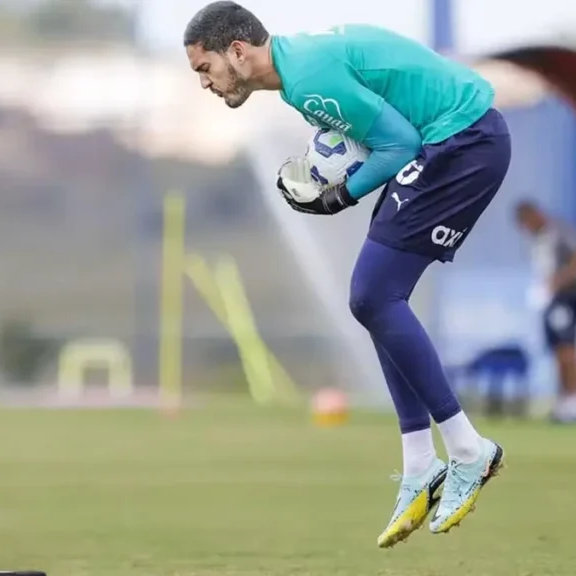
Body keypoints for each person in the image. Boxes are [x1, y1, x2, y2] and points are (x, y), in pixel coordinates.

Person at [183, 1, 509, 547]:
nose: (205, 83)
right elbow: (384, 132)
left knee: (373, 296)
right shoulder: (297, 69)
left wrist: (339, 195)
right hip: (453, 138)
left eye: (204, 67)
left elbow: (398, 144)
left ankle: (470, 451)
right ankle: (419, 465)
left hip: (464, 140)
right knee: (376, 299)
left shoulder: (305, 76)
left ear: (237, 51)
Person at [515, 201, 576, 423]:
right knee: (558, 349)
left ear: (535, 215)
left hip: (566, 296)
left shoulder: (559, 230)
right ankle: (567, 400)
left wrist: (558, 282)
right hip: (549, 299)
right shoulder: (536, 239)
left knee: (569, 348)